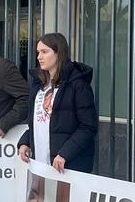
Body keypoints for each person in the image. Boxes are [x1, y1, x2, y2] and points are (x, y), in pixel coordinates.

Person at [17, 33, 97, 174]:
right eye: (38, 52)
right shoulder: (38, 84)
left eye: (44, 52)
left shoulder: (78, 85)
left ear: (58, 53)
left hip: (68, 165)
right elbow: (37, 121)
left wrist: (65, 153)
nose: (39, 57)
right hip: (41, 163)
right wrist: (25, 141)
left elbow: (88, 126)